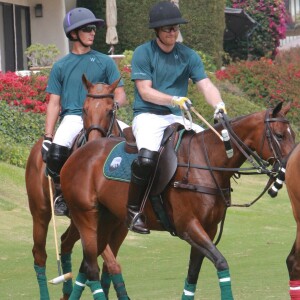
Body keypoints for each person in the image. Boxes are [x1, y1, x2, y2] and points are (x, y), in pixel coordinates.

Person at [126, 1, 227, 234]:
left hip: (176, 117)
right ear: (157, 31)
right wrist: (173, 99)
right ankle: (133, 210)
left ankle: (208, 199)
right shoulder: (143, 53)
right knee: (147, 159)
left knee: (210, 149)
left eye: (175, 28)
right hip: (148, 115)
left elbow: (206, 85)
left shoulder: (188, 55)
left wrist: (218, 104)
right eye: (167, 28)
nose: (172, 32)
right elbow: (145, 91)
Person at [41, 7, 127, 216]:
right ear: (73, 34)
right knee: (57, 152)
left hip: (104, 117)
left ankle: (132, 195)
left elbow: (121, 94)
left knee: (136, 142)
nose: (93, 32)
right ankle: (61, 195)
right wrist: (48, 136)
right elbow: (54, 103)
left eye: (94, 29)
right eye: (87, 28)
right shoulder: (61, 66)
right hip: (73, 117)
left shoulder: (105, 61)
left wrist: (113, 107)